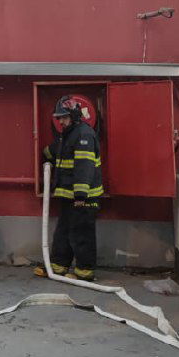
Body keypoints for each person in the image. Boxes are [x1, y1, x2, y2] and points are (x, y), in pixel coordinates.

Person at [42, 95, 104, 281]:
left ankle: (85, 271)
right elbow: (54, 151)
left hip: (83, 197)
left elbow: (84, 167)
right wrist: (45, 155)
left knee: (81, 233)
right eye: (58, 117)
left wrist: (80, 195)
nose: (59, 121)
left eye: (63, 117)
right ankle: (58, 267)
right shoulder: (68, 134)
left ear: (74, 115)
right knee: (64, 231)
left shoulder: (83, 134)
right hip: (69, 194)